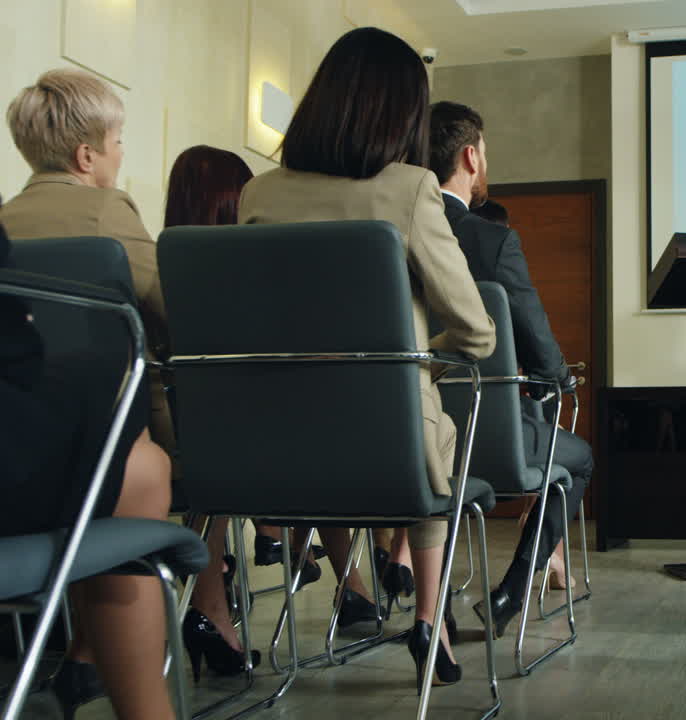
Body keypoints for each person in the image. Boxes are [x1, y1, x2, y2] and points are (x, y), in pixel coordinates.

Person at [237, 27, 496, 688]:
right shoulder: (410, 189)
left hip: (273, 449)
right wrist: (419, 356)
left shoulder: (258, 195)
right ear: (404, 111)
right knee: (434, 429)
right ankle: (429, 622)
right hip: (387, 447)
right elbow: (475, 332)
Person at [0, 67, 177, 717]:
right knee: (146, 461)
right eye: (120, 141)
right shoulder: (108, 210)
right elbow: (170, 313)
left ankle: (75, 650)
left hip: (22, 441)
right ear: (87, 155)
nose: (121, 154)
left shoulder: (3, 219)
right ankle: (98, 658)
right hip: (106, 438)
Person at [427, 101, 592, 636]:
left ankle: (436, 610)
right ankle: (511, 594)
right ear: (470, 157)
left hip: (413, 432)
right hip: (488, 434)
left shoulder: (390, 235)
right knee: (579, 460)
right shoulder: (490, 239)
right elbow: (537, 342)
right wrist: (562, 377)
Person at [161, 144, 265, 680]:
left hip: (164, 446)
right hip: (232, 456)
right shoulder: (242, 277)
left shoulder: (159, 263)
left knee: (212, 431)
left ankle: (211, 593)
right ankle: (212, 600)